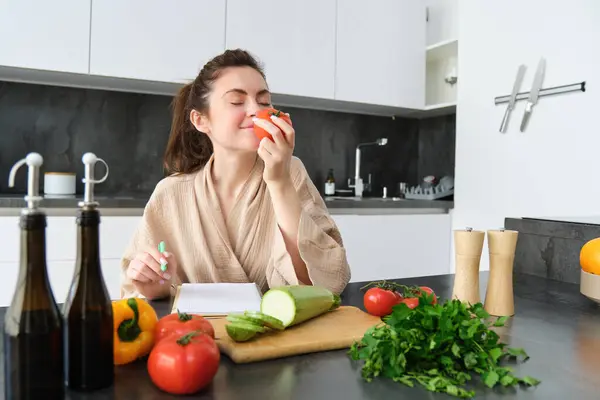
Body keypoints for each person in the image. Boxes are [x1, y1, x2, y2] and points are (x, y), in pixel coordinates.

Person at [120, 49, 351, 300]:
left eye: (264, 101)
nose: (255, 110)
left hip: (278, 335)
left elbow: (323, 283)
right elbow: (139, 292)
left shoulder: (290, 171)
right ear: (200, 120)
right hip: (196, 335)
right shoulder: (170, 193)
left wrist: (279, 181)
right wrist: (155, 284)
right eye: (237, 101)